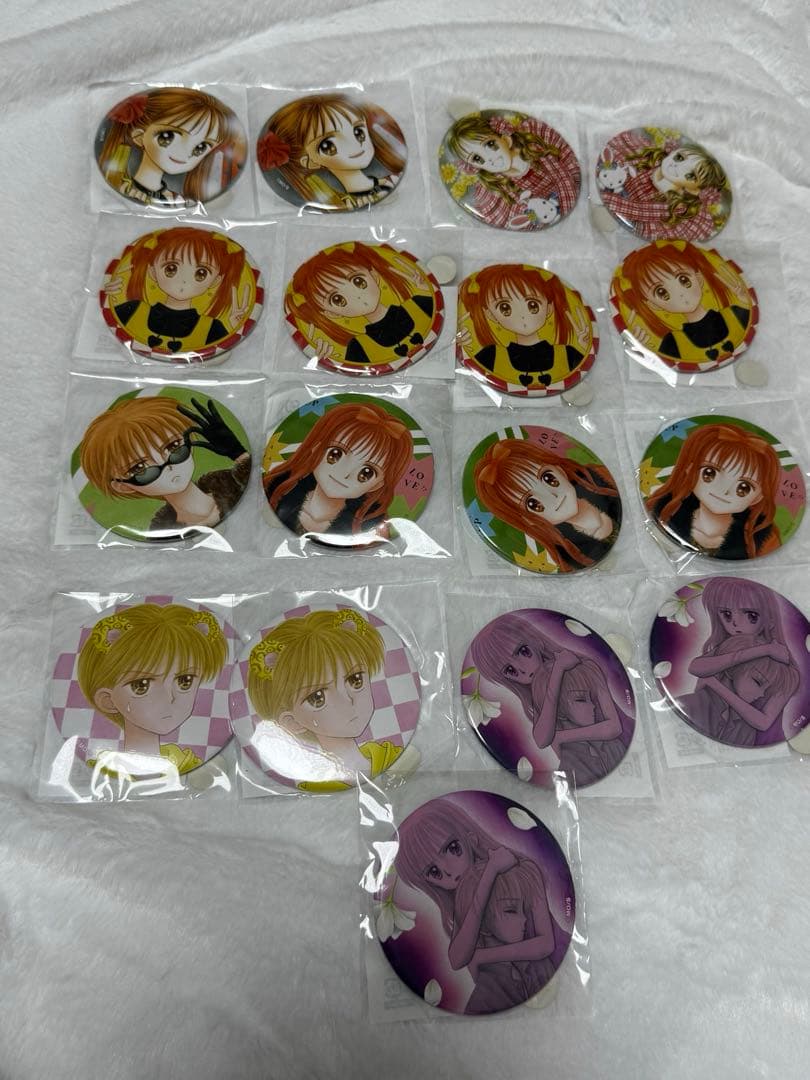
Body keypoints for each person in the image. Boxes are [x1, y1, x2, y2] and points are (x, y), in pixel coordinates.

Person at [469, 611, 632, 785]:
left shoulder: (584, 668)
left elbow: (615, 727)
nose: (524, 669)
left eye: (523, 651)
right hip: (588, 770)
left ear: (534, 640)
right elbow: (543, 740)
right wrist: (557, 671)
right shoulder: (537, 695)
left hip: (621, 751)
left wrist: (563, 736)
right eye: (510, 670)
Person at [246, 609, 402, 789]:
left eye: (355, 680)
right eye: (317, 698)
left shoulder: (389, 755)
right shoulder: (315, 787)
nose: (348, 701)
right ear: (292, 722)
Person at [77, 604, 227, 774]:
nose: (169, 697)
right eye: (141, 685)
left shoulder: (188, 759)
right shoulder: (106, 765)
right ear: (108, 700)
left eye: (185, 681)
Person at [79, 395, 250, 533]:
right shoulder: (162, 532)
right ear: (123, 486)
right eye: (140, 468)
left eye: (173, 447)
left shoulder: (233, 482)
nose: (168, 467)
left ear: (189, 441)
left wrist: (238, 454)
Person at [394, 799, 526, 973]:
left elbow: (546, 943)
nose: (449, 871)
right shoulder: (463, 901)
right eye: (434, 871)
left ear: (470, 838)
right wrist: (489, 872)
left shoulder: (512, 874)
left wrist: (484, 956)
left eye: (453, 848)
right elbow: (457, 959)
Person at [265, 401, 413, 540]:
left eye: (366, 473)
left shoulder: (371, 529)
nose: (345, 474)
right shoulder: (275, 493)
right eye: (335, 454)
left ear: (378, 484)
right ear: (316, 448)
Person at [473, 438, 621, 571]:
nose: (553, 496)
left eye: (549, 478)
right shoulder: (566, 555)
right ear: (528, 519)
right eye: (533, 504)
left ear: (560, 470)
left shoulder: (602, 478)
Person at [103, 227, 252, 355]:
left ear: (215, 281)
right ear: (153, 272)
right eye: (171, 268)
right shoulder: (132, 310)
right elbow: (109, 321)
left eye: (201, 273)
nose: (184, 281)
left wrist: (235, 327)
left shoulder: (212, 328)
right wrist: (110, 296)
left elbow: (222, 355)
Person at [286, 242, 437, 368]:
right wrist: (329, 358)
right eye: (337, 299)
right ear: (331, 313)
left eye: (358, 281)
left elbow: (436, 311)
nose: (356, 296)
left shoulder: (419, 304)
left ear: (374, 275)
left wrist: (427, 290)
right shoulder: (358, 347)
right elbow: (357, 368)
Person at [645, 422, 781, 559]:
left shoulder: (763, 541)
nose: (723, 490)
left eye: (743, 488)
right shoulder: (661, 514)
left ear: (758, 497)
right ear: (689, 469)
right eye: (709, 473)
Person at [257, 93, 405, 210]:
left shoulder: (392, 181)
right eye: (328, 145)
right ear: (310, 161)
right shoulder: (335, 201)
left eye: (358, 132)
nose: (354, 145)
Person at [97, 88, 243, 206]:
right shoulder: (121, 188)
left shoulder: (177, 200)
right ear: (139, 137)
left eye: (201, 147)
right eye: (168, 136)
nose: (185, 153)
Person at [614, 241, 752, 364]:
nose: (680, 294)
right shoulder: (672, 343)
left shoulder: (735, 314)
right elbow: (660, 360)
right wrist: (641, 346)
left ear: (699, 278)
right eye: (662, 292)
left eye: (683, 279)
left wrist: (744, 301)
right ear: (652, 304)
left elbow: (749, 321)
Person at [458, 263, 591, 389]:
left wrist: (585, 348)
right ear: (491, 315)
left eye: (532, 305)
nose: (521, 316)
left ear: (549, 308)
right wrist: (457, 345)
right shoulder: (490, 356)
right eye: (505, 308)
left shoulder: (568, 354)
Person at [454, 856, 560, 1013]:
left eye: (523, 909)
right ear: (482, 924)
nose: (524, 918)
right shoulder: (486, 994)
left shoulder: (534, 968)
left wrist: (482, 956)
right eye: (511, 910)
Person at [443, 112, 580, 230]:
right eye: (477, 158)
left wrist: (566, 210)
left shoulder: (535, 148)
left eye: (490, 144)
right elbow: (512, 220)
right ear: (474, 166)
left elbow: (566, 175)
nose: (490, 158)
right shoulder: (496, 187)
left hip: (571, 202)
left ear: (506, 139)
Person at [597, 133, 729, 240]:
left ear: (693, 189)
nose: (677, 167)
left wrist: (605, 197)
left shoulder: (675, 206)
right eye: (679, 158)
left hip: (626, 213)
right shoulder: (649, 161)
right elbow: (616, 158)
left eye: (690, 175)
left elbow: (634, 210)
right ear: (672, 151)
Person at [678, 634, 800, 746]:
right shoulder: (691, 705)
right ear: (732, 670)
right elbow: (695, 667)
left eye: (767, 690)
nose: (762, 694)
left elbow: (763, 723)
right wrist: (766, 649)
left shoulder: (746, 729)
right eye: (757, 682)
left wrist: (715, 685)